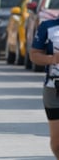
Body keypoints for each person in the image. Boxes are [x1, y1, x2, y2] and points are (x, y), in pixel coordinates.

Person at [29, 18, 59, 159]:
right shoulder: (48, 27)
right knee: (57, 143)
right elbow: (34, 55)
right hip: (53, 89)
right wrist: (52, 59)